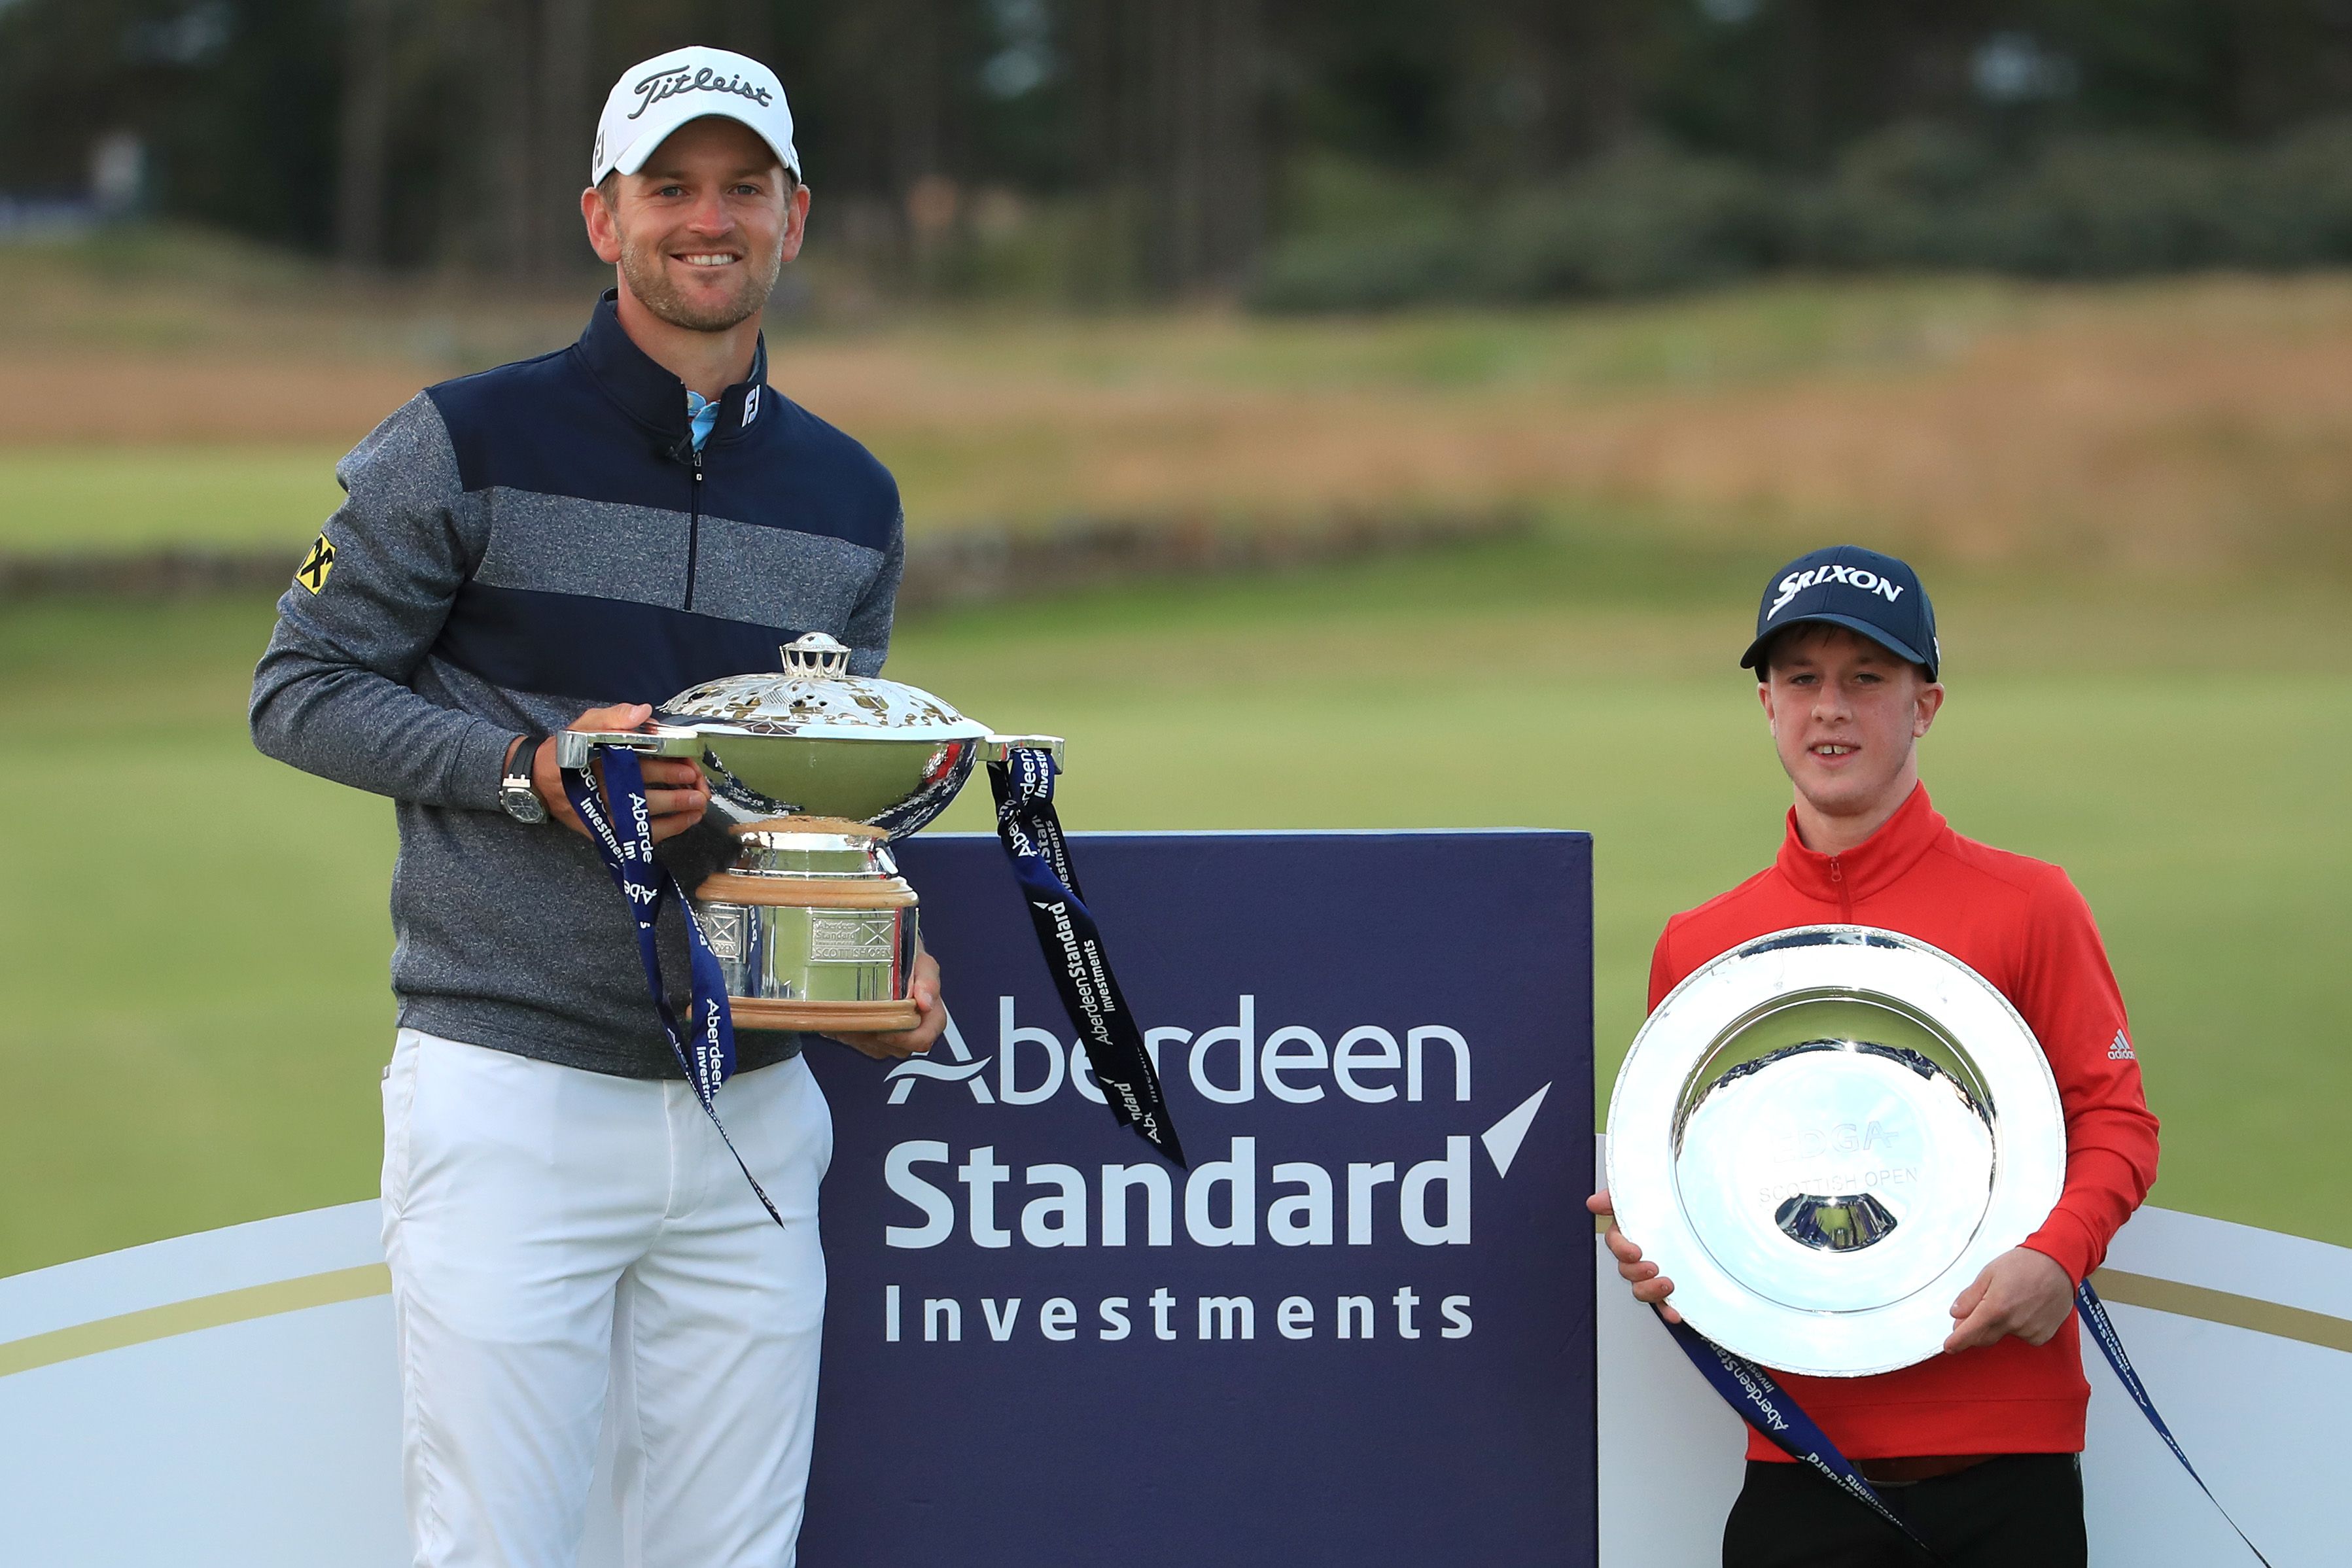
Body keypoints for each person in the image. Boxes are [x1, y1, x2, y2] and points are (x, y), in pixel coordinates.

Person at [249, 45, 943, 1568]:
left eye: (742, 189)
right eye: (670, 188)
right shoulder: (461, 443)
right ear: (601, 217)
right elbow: (296, 690)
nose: (710, 219)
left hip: (755, 1104)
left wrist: (876, 943)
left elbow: (805, 795)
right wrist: (529, 770)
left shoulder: (849, 499)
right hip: (513, 1085)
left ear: (795, 218)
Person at [1588, 546, 2160, 1568]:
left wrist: (2056, 1254)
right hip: (1802, 1464)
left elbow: (2117, 1123)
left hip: (2006, 1468)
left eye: (1867, 678)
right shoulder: (1701, 946)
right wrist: (1650, 1234)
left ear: (1925, 705)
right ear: (1767, 706)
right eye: (1801, 679)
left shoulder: (2031, 905)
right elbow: (1692, 1194)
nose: (1831, 709)